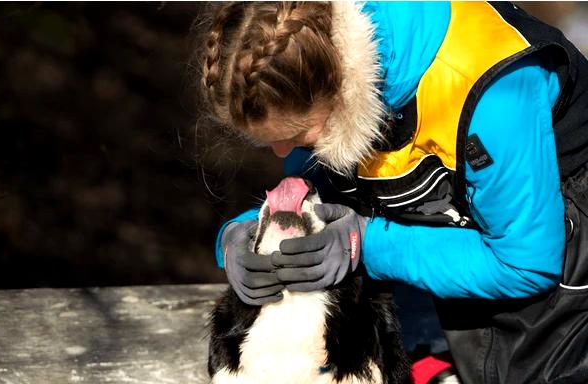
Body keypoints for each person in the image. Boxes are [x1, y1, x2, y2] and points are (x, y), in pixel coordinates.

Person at [201, 2, 588, 384]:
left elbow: (526, 264)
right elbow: (319, 197)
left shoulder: (498, 92)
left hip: (558, 258)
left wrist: (367, 244)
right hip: (443, 247)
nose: (283, 154)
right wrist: (244, 236)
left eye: (293, 136)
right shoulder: (315, 62)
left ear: (338, 90)